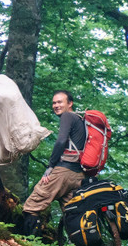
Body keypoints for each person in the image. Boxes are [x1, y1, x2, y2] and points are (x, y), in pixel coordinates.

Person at [21, 90, 87, 237]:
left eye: (60, 102)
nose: (56, 105)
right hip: (79, 175)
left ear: (70, 104)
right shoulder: (80, 120)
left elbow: (61, 141)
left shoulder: (68, 116)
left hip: (63, 172)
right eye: (54, 102)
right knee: (72, 215)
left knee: (32, 206)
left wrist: (50, 166)